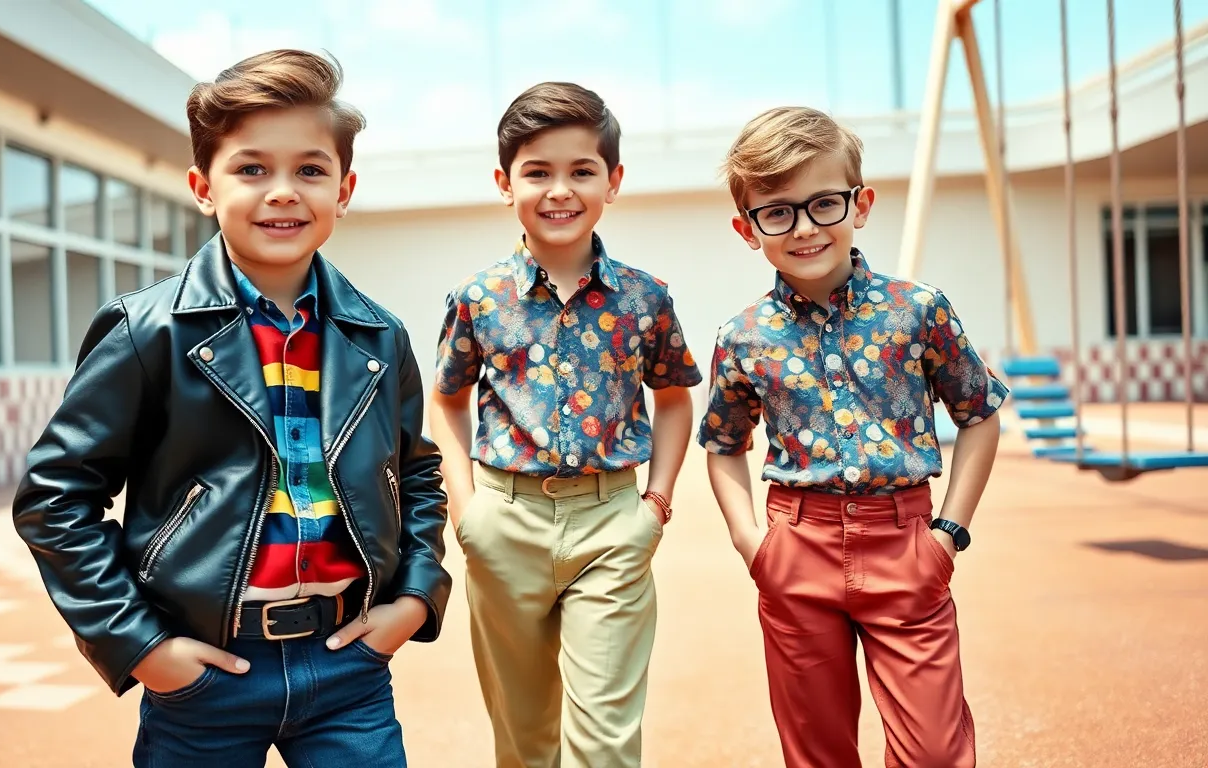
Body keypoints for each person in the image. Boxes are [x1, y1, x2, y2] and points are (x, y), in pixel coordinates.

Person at [11, 49, 450, 767]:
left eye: (310, 170)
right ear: (202, 187)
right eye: (252, 169)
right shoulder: (148, 331)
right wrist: (141, 647)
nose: (283, 191)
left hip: (349, 670)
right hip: (204, 675)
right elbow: (56, 499)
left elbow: (417, 475)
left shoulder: (379, 334)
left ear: (344, 190)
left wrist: (416, 600)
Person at [698, 105, 1007, 768]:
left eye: (824, 204)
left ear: (860, 204)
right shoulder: (742, 336)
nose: (805, 228)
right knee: (818, 754)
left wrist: (949, 534)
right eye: (777, 211)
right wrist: (753, 544)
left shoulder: (918, 309)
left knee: (935, 753)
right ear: (747, 228)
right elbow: (724, 444)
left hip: (908, 546)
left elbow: (978, 412)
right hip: (794, 549)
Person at [429, 81, 702, 767]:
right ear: (504, 182)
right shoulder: (479, 298)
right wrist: (469, 513)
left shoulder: (646, 297)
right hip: (504, 522)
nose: (560, 190)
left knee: (606, 741)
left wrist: (656, 505)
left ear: (612, 181)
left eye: (581, 171)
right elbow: (446, 398)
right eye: (538, 172)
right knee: (524, 740)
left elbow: (673, 397)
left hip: (614, 521)